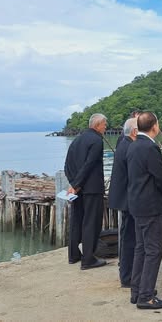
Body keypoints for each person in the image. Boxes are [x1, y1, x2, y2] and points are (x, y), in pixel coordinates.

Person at [126, 112, 162, 310]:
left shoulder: (133, 145)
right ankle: (145, 296)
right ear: (154, 126)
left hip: (136, 203)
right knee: (153, 250)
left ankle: (137, 290)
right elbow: (160, 176)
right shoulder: (150, 147)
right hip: (150, 205)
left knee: (141, 248)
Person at [64, 113, 108, 270]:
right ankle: (88, 259)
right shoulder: (97, 140)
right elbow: (89, 165)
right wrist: (77, 184)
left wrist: (74, 184)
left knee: (76, 220)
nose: (105, 127)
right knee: (91, 222)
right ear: (97, 125)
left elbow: (67, 165)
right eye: (104, 124)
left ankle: (73, 255)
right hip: (92, 188)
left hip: (79, 189)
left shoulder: (77, 140)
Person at [107, 117, 138, 287]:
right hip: (128, 200)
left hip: (124, 199)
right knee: (129, 239)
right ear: (134, 131)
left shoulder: (123, 144)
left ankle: (127, 273)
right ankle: (127, 276)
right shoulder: (129, 147)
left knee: (127, 237)